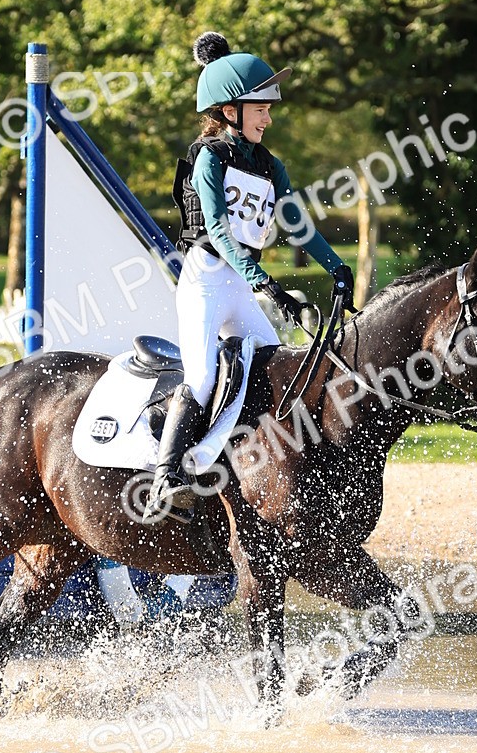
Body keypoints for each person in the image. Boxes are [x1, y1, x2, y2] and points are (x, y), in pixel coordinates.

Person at [142, 31, 354, 525]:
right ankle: (165, 477)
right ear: (229, 110)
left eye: (268, 108)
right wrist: (262, 280)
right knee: (201, 376)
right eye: (260, 107)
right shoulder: (209, 157)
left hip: (240, 283)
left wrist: (336, 266)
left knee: (274, 368)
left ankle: (249, 471)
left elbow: (297, 224)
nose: (268, 116)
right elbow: (216, 226)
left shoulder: (269, 165)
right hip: (205, 281)